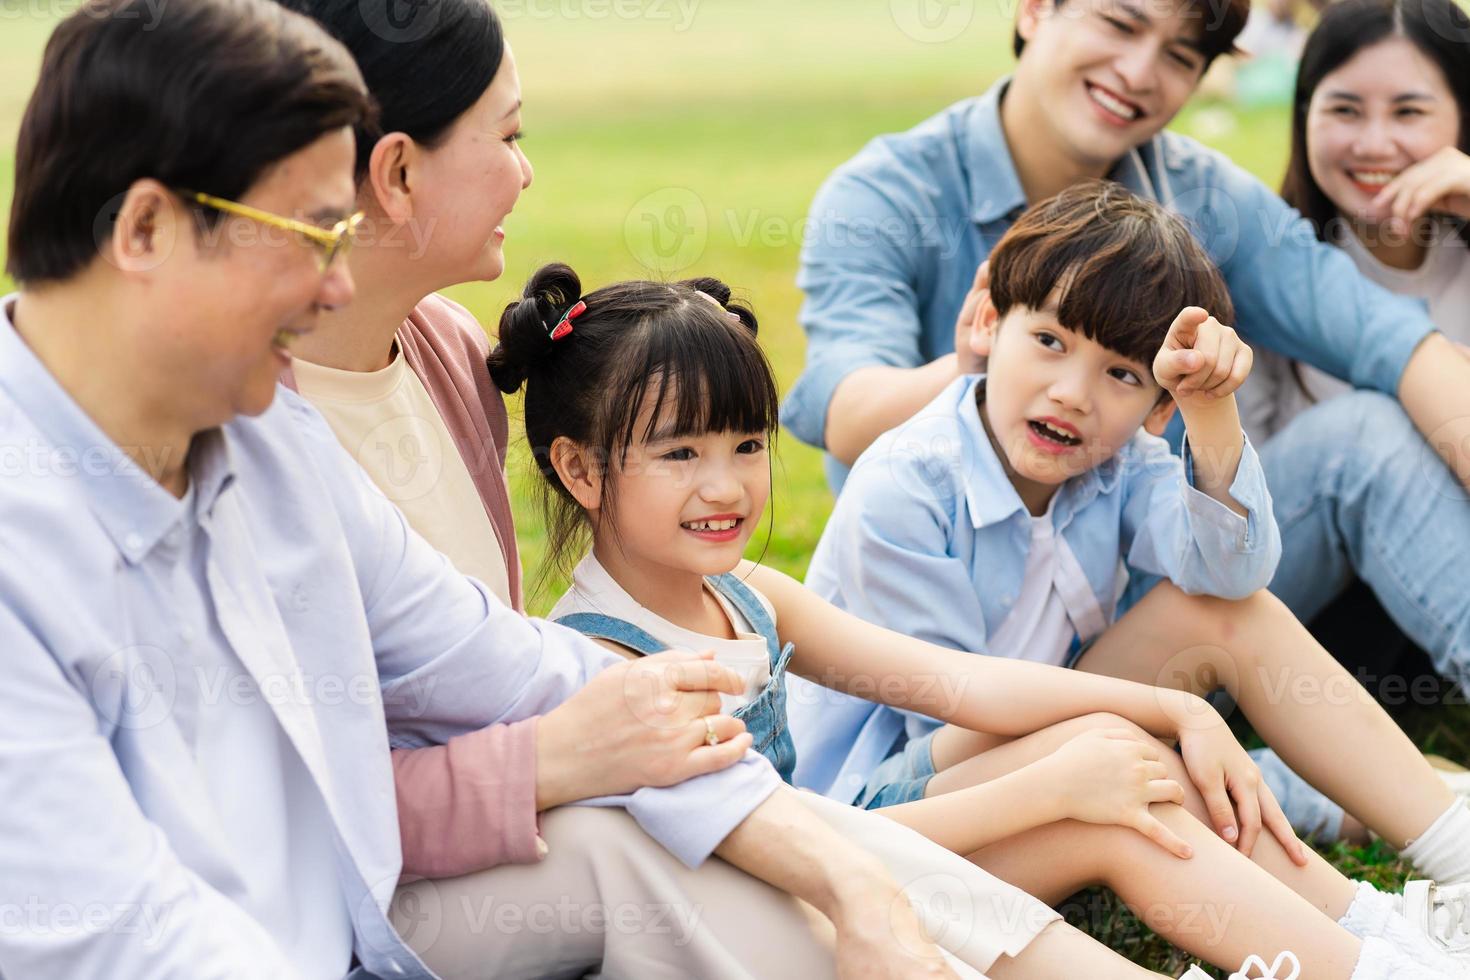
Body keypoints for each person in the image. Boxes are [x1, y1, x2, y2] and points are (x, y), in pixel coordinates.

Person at [0, 3, 972, 977]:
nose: (337, 288)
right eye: (309, 232)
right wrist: (555, 759)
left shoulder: (269, 449)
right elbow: (116, 937)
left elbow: (523, 668)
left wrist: (854, 884)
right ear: (145, 228)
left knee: (639, 846)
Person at [483, 253, 1457, 978]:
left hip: (854, 864)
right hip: (798, 919)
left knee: (1119, 801)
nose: (728, 484)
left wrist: (1173, 709)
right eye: (680, 453)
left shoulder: (749, 596)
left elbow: (955, 683)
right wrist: (1059, 783)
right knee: (1102, 796)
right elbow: (784, 853)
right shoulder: (613, 665)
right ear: (578, 469)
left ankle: (1378, 956)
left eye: (744, 444)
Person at [795, 181, 1470, 961]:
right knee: (1117, 739)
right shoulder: (907, 485)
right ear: (987, 322)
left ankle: (1455, 862)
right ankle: (1373, 942)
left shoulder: (1123, 466)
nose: (1072, 394)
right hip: (904, 813)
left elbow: (1232, 577)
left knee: (1224, 619)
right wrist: (1158, 717)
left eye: (1121, 374)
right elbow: (957, 713)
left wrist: (1211, 412)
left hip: (1054, 748)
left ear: (1157, 406)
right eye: (1048, 341)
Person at [779, 0, 1470, 696]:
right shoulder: (891, 192)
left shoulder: (1195, 192)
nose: (1139, 72)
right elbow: (845, 410)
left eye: (1180, 56)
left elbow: (1389, 339)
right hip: (954, 647)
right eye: (1120, 23)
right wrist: (991, 364)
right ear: (1034, 10)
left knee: (1361, 439)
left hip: (1156, 592)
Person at [1242, 0, 1470, 443]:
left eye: (1408, 112)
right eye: (1345, 110)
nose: (1373, 145)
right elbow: (1227, 494)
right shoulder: (1263, 272)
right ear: (1306, 114)